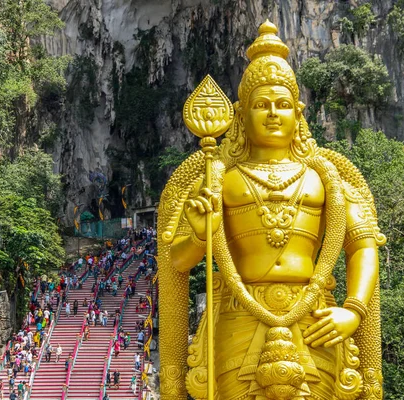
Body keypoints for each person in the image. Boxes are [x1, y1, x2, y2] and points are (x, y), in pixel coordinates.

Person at [158, 20, 386, 400]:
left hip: (315, 317)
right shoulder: (218, 177)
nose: (272, 113)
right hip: (237, 317)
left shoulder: (324, 175)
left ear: (298, 112)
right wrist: (201, 234)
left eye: (282, 104)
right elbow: (177, 262)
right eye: (261, 105)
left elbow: (362, 245)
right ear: (241, 113)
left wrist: (355, 309)